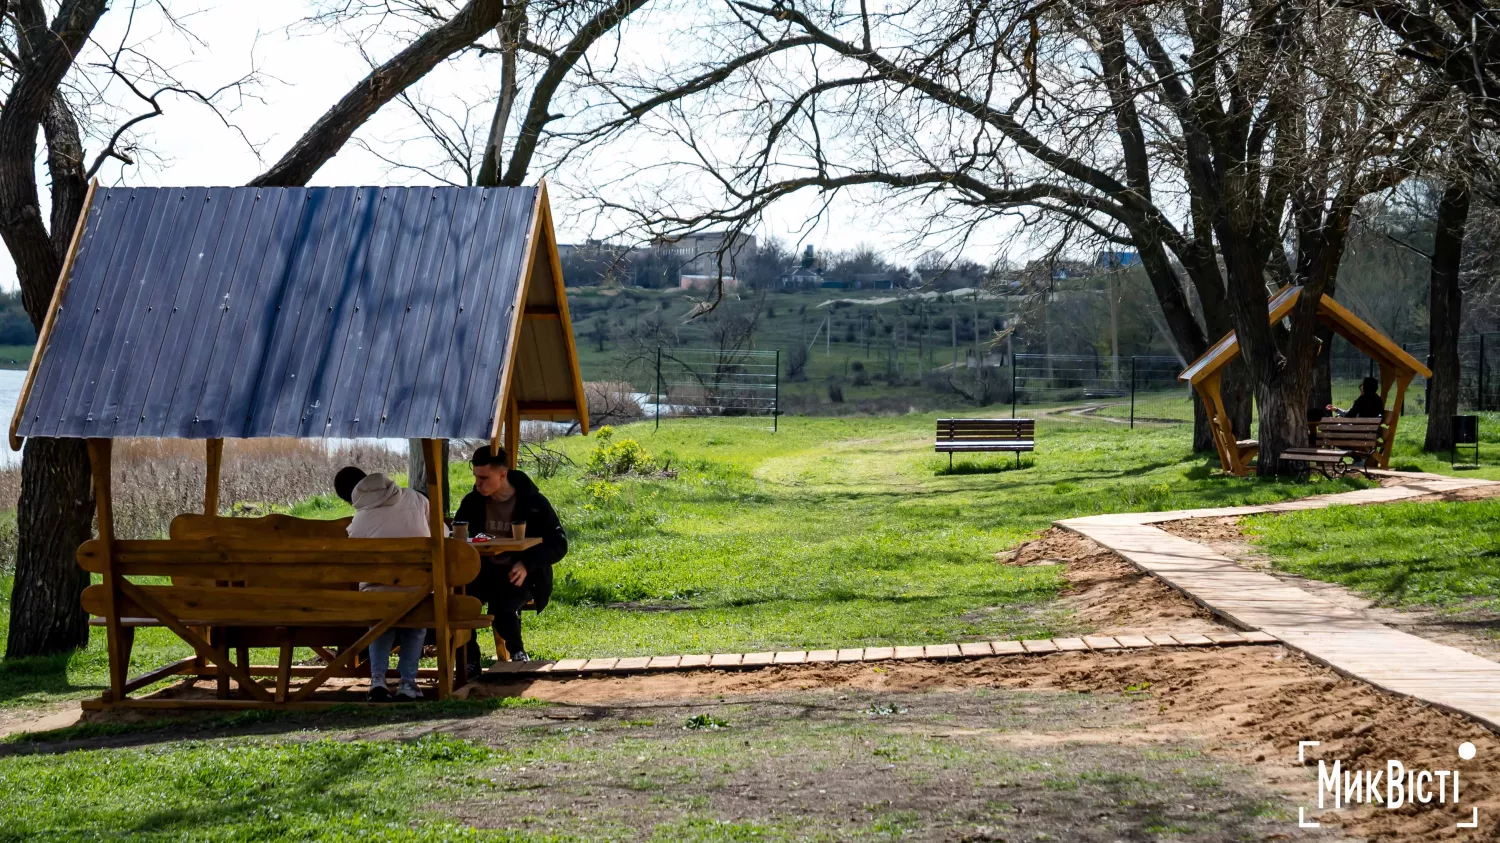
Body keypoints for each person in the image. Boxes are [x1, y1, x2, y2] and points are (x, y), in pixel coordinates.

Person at [454, 446, 568, 664]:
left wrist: (527, 564)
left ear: (503, 474)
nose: (478, 484)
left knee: (502, 606)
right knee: (460, 603)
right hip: (482, 571)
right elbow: (458, 534)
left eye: (484, 478)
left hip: (521, 575)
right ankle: (470, 661)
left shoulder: (533, 502)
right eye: (476, 477)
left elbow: (559, 543)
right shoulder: (473, 501)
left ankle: (517, 653)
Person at [335, 466, 434, 703]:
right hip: (417, 591)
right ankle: (408, 684)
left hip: (378, 596)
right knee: (415, 625)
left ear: (353, 496)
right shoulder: (417, 498)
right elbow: (437, 532)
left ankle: (377, 680)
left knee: (380, 624)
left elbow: (354, 562)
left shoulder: (360, 518)